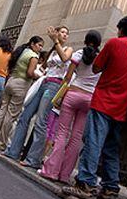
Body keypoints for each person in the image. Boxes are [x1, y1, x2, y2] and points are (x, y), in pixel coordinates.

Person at [62, 16, 127, 199]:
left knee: (93, 141)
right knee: (111, 148)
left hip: (103, 101)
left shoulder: (114, 43)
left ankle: (85, 184)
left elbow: (96, 67)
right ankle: (110, 189)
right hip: (124, 108)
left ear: (121, 30)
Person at [4, 26, 74, 169]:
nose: (65, 35)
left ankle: (33, 159)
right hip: (44, 83)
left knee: (41, 121)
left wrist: (56, 41)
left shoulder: (68, 49)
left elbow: (65, 59)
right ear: (56, 33)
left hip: (54, 85)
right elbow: (42, 68)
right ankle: (13, 151)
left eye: (67, 33)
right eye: (62, 32)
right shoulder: (51, 52)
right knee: (25, 115)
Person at [40, 30, 102, 184]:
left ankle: (51, 171)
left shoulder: (79, 54)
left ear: (86, 40)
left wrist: (60, 96)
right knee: (76, 138)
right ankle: (64, 175)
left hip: (73, 94)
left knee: (62, 133)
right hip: (89, 99)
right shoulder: (101, 58)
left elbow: (68, 78)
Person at [0, 36, 44, 150]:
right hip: (21, 85)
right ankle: (2, 143)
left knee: (1, 111)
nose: (40, 48)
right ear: (32, 44)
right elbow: (30, 73)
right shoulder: (33, 56)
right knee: (11, 115)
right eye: (39, 45)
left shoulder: (22, 52)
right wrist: (37, 76)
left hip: (11, 81)